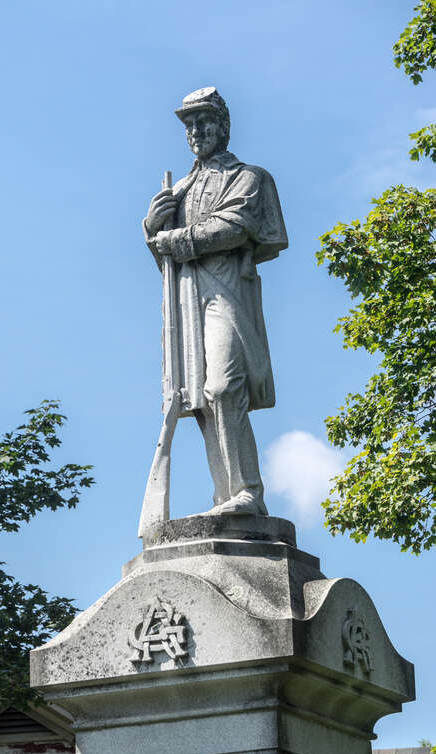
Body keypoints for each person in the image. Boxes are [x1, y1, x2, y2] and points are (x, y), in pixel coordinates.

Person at [144, 87, 288, 516]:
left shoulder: (248, 177)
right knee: (201, 397)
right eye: (189, 124)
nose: (196, 131)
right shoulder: (181, 188)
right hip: (188, 297)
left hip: (227, 290)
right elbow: (164, 256)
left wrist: (171, 239)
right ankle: (225, 496)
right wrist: (151, 227)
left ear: (223, 125)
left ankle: (247, 492)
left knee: (225, 387)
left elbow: (234, 225)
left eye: (204, 121)